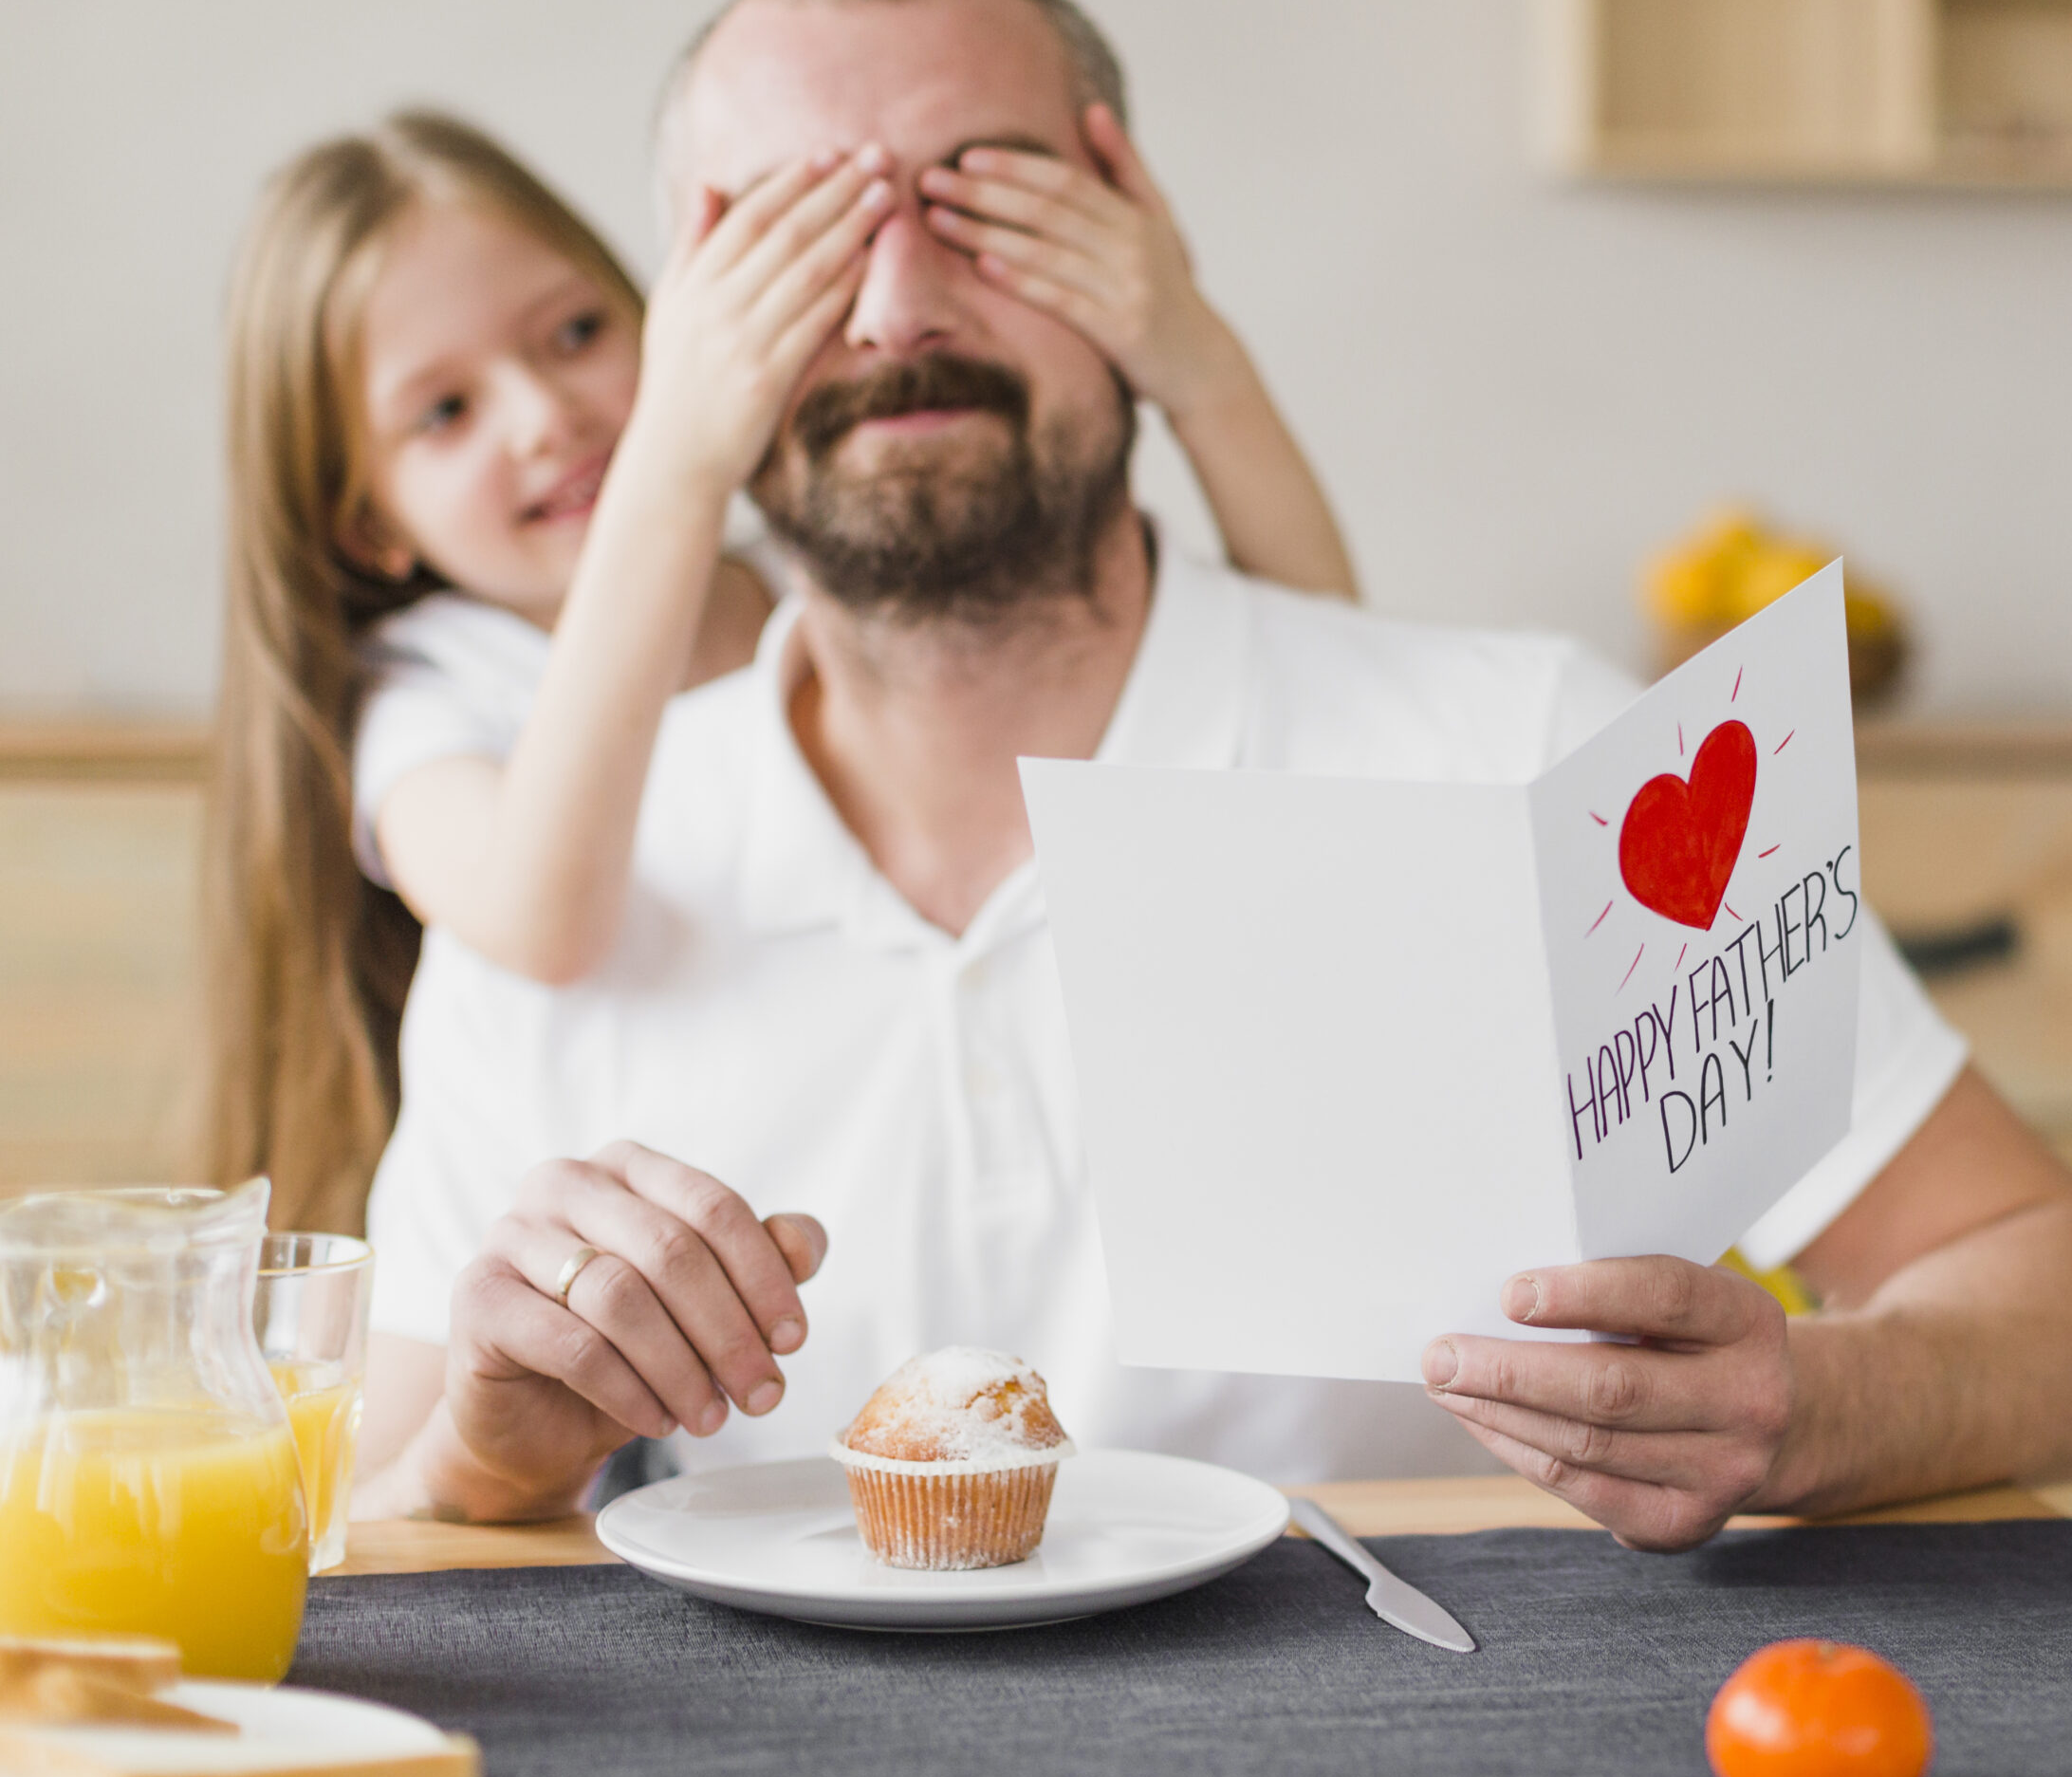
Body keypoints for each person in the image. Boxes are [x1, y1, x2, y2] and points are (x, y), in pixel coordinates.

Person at [354, 0, 2072, 1547]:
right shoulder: (571, 872)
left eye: (982, 204)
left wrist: (1812, 1404)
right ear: (696, 323)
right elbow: (378, 1506)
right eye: (806, 235)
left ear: (1134, 236)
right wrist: (488, 1459)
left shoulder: (1523, 746)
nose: (898, 308)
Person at [201, 100, 1352, 1236]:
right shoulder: (430, 691)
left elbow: (1325, 668)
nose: (544, 414)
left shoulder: (806, 579)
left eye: (573, 335)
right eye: (445, 411)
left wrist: (1199, 369)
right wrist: (676, 465)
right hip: (629, 1287)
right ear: (367, 526)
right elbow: (539, 919)